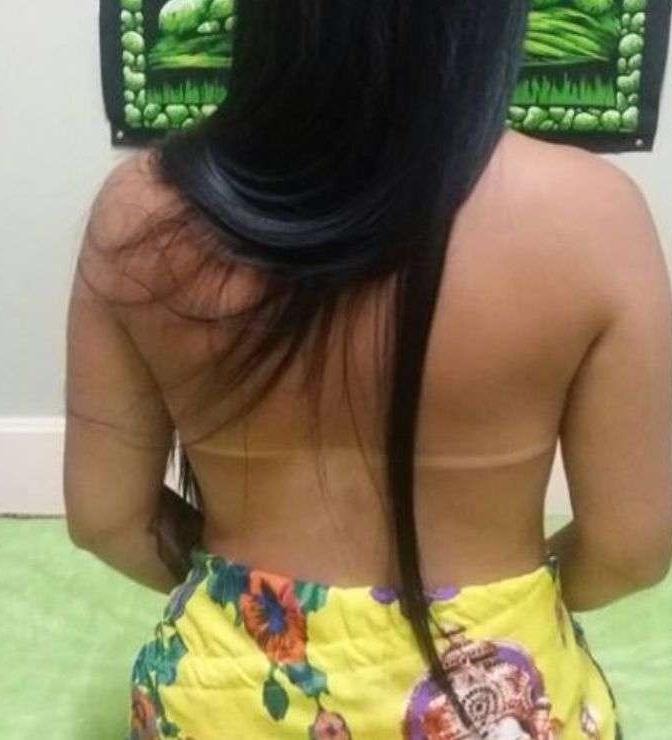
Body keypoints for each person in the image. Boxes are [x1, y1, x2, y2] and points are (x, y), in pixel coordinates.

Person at [63, 2, 672, 738]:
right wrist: (501, 608)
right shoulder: (593, 215)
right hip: (494, 704)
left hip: (225, 696)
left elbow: (108, 519)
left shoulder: (141, 211)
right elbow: (632, 549)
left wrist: (247, 601)